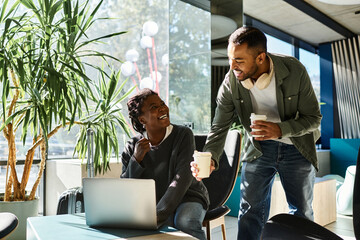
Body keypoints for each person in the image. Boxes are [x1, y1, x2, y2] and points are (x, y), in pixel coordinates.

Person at [191, 26, 322, 240]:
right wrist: (211, 157)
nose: (232, 66)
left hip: (296, 148)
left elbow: (314, 118)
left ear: (261, 57)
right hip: (259, 149)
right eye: (231, 58)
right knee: (250, 211)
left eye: (239, 60)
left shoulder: (294, 71)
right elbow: (219, 125)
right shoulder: (232, 81)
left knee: (301, 213)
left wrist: (280, 129)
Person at [121, 88, 209, 240]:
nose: (162, 108)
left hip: (188, 197)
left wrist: (158, 215)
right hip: (154, 202)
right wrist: (136, 159)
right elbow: (126, 188)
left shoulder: (183, 135)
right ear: (142, 120)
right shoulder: (132, 146)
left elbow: (182, 180)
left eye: (162, 103)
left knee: (185, 221)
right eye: (154, 107)